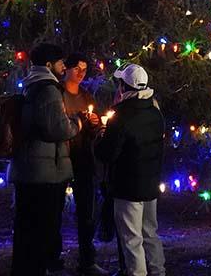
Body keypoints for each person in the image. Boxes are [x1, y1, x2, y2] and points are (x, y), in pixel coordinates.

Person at [9, 44, 82, 276]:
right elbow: (56, 129)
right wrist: (77, 123)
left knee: (26, 227)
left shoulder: (31, 86)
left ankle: (25, 268)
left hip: (29, 169)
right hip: (44, 173)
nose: (64, 66)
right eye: (61, 62)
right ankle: (37, 269)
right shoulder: (48, 89)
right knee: (43, 227)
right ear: (49, 65)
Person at [95, 64, 165, 276]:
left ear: (124, 87)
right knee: (150, 233)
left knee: (131, 238)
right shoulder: (154, 112)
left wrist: (101, 135)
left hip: (128, 186)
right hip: (150, 184)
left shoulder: (122, 115)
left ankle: (137, 273)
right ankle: (158, 271)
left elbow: (107, 153)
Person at [59, 53, 109, 275]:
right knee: (54, 212)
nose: (81, 73)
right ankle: (53, 259)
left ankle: (87, 260)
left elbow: (93, 128)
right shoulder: (57, 95)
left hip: (83, 160)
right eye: (77, 68)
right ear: (66, 69)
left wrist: (96, 124)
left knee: (86, 213)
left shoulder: (86, 96)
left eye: (85, 70)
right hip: (59, 160)